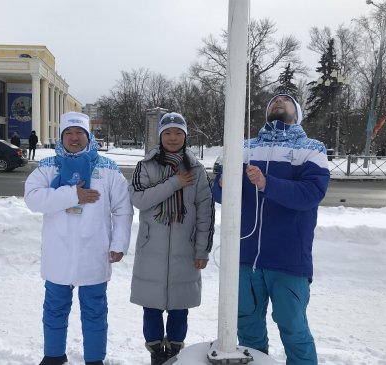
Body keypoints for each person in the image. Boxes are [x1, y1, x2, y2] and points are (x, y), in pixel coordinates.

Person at [213, 94, 330, 365]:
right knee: (248, 330)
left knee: (294, 330)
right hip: (244, 258)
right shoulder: (244, 146)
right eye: (273, 101)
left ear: (297, 112)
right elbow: (222, 195)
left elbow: (311, 193)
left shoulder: (312, 148)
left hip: (288, 260)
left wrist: (268, 184)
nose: (278, 102)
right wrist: (220, 185)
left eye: (285, 100)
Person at [24, 111, 134, 365]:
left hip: (93, 251)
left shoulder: (107, 168)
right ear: (62, 137)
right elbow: (33, 199)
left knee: (95, 311)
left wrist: (119, 243)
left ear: (88, 136)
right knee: (54, 309)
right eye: (69, 133)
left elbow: (122, 209)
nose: (74, 138)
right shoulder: (48, 166)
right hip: (58, 252)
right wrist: (73, 195)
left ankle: (95, 359)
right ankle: (53, 355)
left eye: (79, 133)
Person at [129, 112, 215, 365]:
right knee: (151, 307)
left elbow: (205, 213)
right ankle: (157, 352)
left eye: (178, 132)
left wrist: (202, 251)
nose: (173, 137)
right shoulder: (145, 166)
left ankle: (175, 352)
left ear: (186, 136)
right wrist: (175, 183)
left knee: (180, 307)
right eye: (168, 133)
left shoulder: (197, 170)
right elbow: (139, 200)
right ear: (160, 137)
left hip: (185, 249)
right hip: (151, 248)